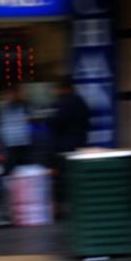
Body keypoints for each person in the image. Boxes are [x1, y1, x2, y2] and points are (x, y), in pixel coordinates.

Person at [47, 77, 92, 215]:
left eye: (58, 88)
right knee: (76, 176)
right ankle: (80, 204)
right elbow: (87, 122)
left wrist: (48, 120)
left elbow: (57, 122)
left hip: (65, 147)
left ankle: (67, 206)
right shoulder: (80, 102)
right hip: (79, 145)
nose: (56, 91)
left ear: (65, 89)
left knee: (64, 178)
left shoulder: (63, 104)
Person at [0, 86, 34, 174]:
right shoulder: (2, 109)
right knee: (13, 168)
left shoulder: (24, 106)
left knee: (22, 168)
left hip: (22, 142)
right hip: (10, 143)